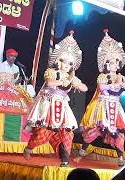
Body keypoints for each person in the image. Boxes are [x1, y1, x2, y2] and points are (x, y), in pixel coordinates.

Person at [23, 32, 88, 167]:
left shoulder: (71, 77)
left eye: (70, 63)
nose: (67, 65)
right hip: (49, 104)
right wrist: (61, 81)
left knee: (67, 133)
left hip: (63, 106)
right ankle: (29, 148)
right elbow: (49, 83)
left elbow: (85, 88)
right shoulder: (52, 72)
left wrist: (76, 83)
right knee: (43, 133)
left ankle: (65, 160)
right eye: (64, 61)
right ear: (58, 61)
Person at [75, 29, 125, 166]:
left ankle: (121, 157)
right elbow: (102, 87)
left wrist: (124, 84)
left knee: (119, 132)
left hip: (116, 106)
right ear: (106, 64)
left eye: (115, 62)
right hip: (102, 106)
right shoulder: (103, 76)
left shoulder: (121, 77)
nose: (113, 64)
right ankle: (81, 153)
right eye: (110, 62)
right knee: (95, 130)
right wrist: (116, 84)